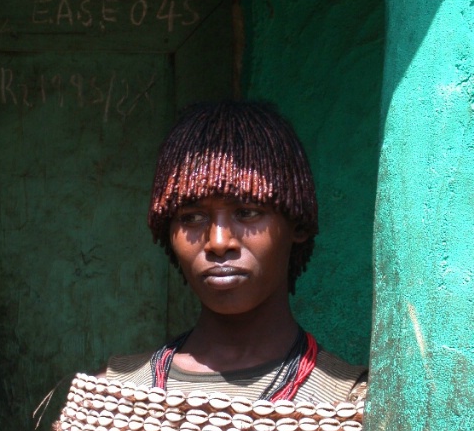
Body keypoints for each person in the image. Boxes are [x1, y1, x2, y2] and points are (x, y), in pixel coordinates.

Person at [105, 100, 367, 404]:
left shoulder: (348, 407)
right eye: (191, 217)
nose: (218, 241)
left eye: (247, 212)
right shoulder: (111, 399)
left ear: (298, 224)